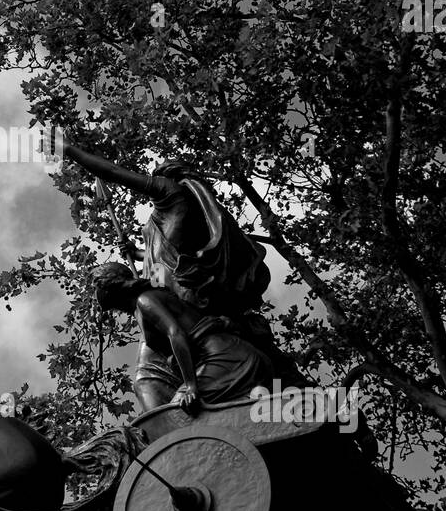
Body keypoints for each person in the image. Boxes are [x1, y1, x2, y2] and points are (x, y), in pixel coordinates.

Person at [63, 142, 307, 388]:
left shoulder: (170, 193)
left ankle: (201, 384)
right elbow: (162, 257)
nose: (152, 183)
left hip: (186, 293)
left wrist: (71, 151)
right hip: (176, 290)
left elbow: (114, 173)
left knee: (161, 364)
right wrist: (137, 253)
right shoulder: (165, 218)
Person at [91, 262, 273, 413]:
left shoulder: (145, 300)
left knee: (173, 415)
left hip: (226, 358)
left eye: (112, 305)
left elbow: (176, 334)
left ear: (114, 291)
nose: (115, 310)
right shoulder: (145, 302)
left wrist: (191, 386)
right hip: (218, 356)